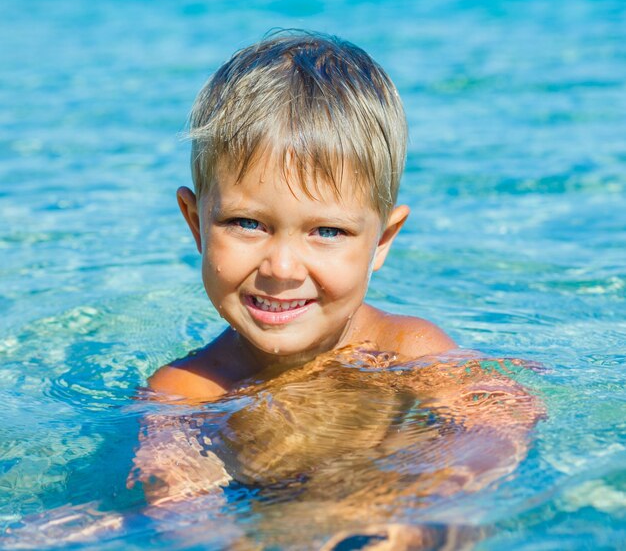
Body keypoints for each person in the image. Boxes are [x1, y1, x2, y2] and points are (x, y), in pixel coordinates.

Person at [131, 32, 543, 547]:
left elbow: (500, 423)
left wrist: (428, 504)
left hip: (393, 507)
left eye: (327, 231)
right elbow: (178, 504)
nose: (281, 267)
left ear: (382, 241)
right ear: (196, 223)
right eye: (246, 223)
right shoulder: (188, 391)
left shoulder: (405, 348)